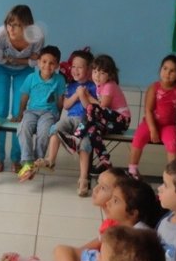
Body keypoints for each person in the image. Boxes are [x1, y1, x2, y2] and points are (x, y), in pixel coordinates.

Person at [0, 171, 162, 261]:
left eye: (115, 200)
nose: (108, 202)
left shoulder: (134, 242)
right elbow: (65, 251)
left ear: (133, 213)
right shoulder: (117, 227)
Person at [62, 55, 132, 195]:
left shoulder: (109, 86)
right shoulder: (100, 86)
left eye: (102, 73)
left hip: (121, 120)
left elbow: (100, 107)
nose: (97, 76)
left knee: (92, 109)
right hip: (109, 121)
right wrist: (86, 97)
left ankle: (76, 139)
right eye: (95, 72)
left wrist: (87, 96)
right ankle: (104, 160)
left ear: (110, 75)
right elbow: (95, 111)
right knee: (93, 129)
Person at [0, 4, 43, 171]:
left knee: (19, 114)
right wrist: (26, 59)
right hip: (0, 69)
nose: (10, 28)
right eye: (9, 23)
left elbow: (36, 62)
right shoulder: (0, 36)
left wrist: (19, 61)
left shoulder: (37, 37)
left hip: (24, 71)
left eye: (16, 25)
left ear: (27, 26)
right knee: (1, 111)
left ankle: (17, 158)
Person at [38, 48, 95, 187]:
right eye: (73, 66)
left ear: (88, 70)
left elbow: (91, 107)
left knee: (85, 144)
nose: (75, 70)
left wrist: (83, 95)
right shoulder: (71, 85)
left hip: (86, 121)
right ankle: (50, 160)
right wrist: (77, 94)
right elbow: (66, 105)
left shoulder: (93, 86)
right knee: (55, 128)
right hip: (71, 120)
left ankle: (83, 179)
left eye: (80, 67)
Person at [128, 55, 176, 177]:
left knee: (173, 143)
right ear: (160, 69)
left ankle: (173, 174)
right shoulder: (154, 88)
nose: (167, 73)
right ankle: (132, 170)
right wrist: (152, 130)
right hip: (150, 123)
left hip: (169, 126)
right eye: (165, 68)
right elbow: (149, 110)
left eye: (172, 71)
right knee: (138, 138)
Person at [14, 45, 65, 181]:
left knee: (44, 132)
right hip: (31, 111)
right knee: (23, 128)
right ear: (38, 62)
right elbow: (24, 96)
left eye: (51, 63)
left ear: (57, 65)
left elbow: (60, 101)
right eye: (44, 61)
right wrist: (20, 113)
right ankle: (27, 162)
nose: (47, 65)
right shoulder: (31, 77)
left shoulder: (59, 80)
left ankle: (37, 161)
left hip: (49, 113)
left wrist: (59, 116)